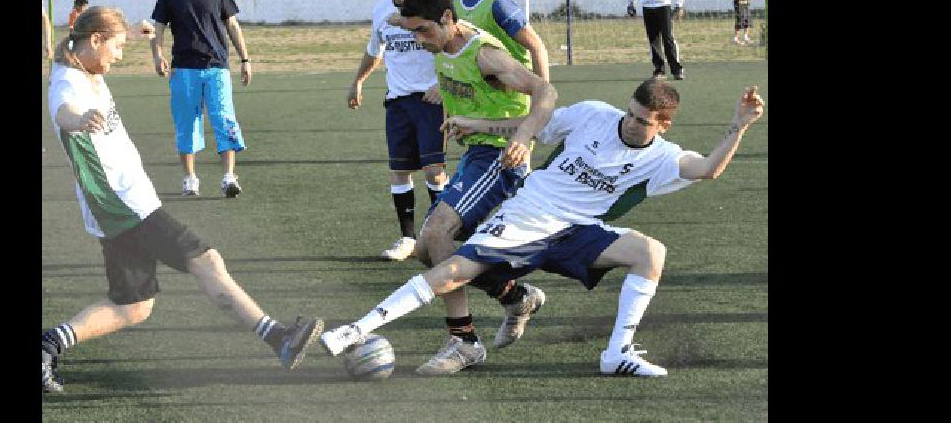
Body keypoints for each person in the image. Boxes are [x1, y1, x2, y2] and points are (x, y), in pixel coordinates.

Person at [321, 79, 765, 377]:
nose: (631, 122)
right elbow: (536, 125)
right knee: (451, 271)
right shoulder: (593, 115)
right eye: (631, 113)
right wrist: (479, 125)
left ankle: (617, 355)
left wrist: (739, 126)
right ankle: (354, 330)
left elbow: (708, 169)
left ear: (663, 125)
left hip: (577, 228)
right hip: (528, 213)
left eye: (643, 120)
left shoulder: (663, 156)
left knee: (652, 253)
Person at [43, 6, 323, 393]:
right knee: (204, 259)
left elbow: (97, 43)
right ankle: (278, 337)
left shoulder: (83, 65)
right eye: (117, 47)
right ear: (94, 41)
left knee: (134, 307)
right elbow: (62, 111)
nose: (120, 55)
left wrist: (137, 27)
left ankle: (48, 344)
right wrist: (78, 119)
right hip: (123, 204)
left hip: (115, 205)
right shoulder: (69, 82)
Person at [385, 0, 557, 375]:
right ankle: (514, 295)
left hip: (499, 157)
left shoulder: (485, 55)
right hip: (475, 155)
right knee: (428, 250)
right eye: (412, 32)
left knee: (436, 233)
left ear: (447, 18)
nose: (418, 40)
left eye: (423, 31)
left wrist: (523, 135)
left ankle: (463, 341)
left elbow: (546, 91)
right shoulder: (439, 41)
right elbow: (406, 21)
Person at [349, 0, 448, 261]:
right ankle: (407, 239)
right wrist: (359, 80)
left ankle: (439, 234)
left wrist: (442, 85)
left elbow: (453, 46)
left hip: (430, 100)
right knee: (399, 172)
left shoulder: (432, 8)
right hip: (397, 103)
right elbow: (374, 51)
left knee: (434, 171)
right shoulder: (380, 11)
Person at [151, 0, 253, 197]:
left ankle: (229, 177)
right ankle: (190, 179)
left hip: (217, 68)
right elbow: (158, 28)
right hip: (184, 69)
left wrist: (245, 60)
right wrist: (157, 56)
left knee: (224, 120)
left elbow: (232, 26)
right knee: (187, 124)